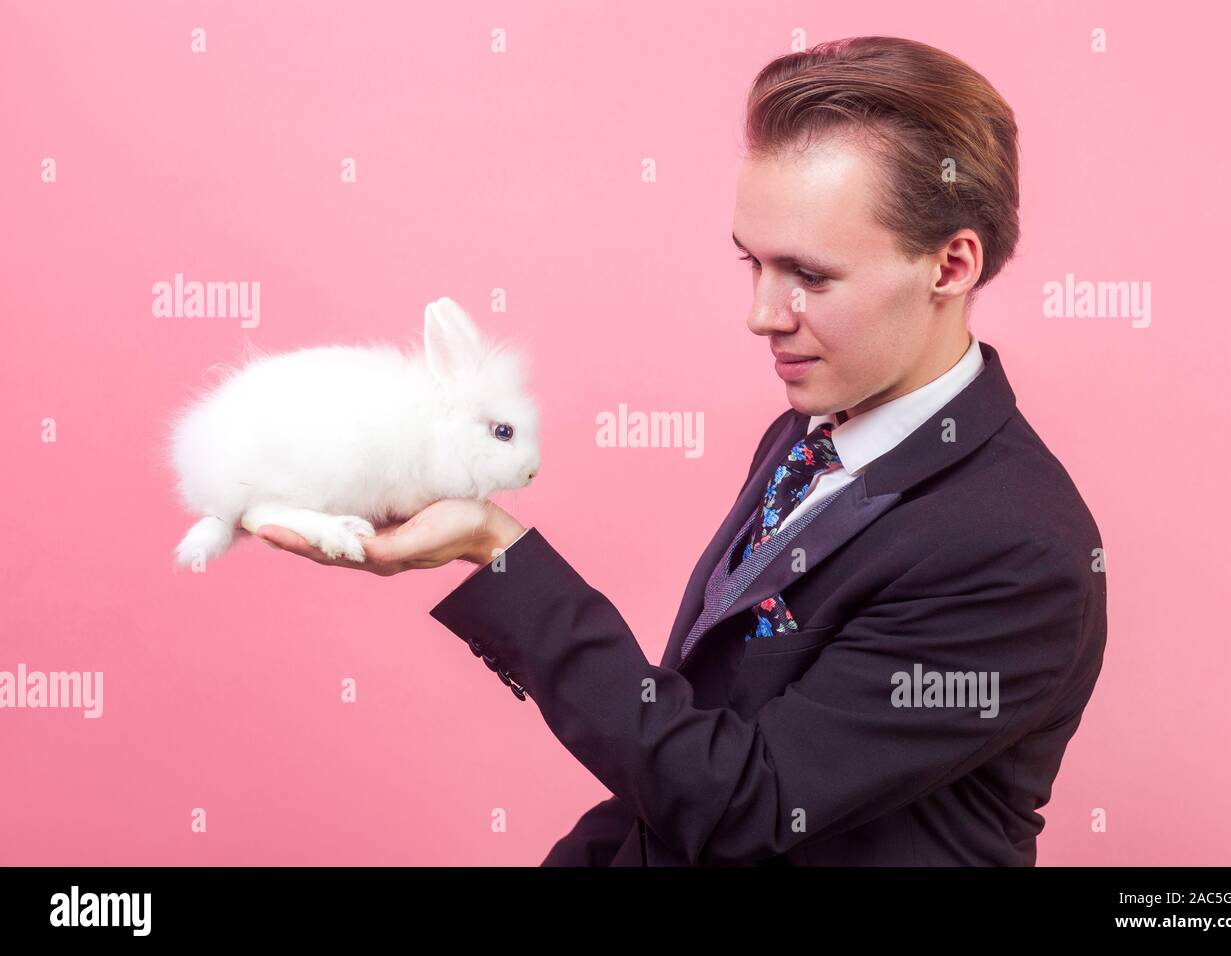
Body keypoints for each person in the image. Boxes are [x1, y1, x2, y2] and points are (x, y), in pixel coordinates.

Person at [258, 36, 1107, 866]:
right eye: (754, 265)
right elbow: (692, 741)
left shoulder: (1014, 549)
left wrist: (497, 548)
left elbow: (748, 806)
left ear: (951, 265)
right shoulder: (809, 436)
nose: (762, 314)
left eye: (810, 276)